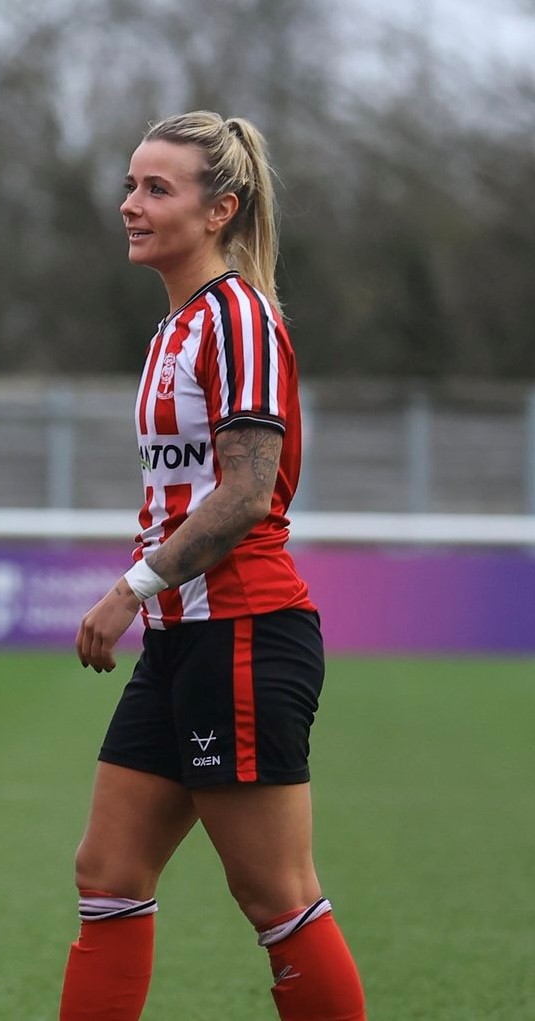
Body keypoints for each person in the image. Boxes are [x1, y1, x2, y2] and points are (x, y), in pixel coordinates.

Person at [60, 111, 365, 1021]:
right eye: (130, 185)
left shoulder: (239, 318)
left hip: (243, 630)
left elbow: (245, 495)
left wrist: (130, 588)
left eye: (158, 189)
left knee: (276, 894)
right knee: (107, 870)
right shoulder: (175, 331)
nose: (131, 205)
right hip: (184, 637)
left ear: (221, 209)